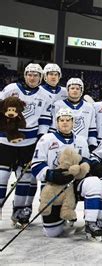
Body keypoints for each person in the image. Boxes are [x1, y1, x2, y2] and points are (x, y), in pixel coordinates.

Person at [31, 108, 102, 239]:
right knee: (52, 233)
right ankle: (61, 218)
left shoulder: (81, 140)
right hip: (53, 187)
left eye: (68, 120)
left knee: (93, 182)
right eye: (61, 120)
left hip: (73, 184)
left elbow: (85, 162)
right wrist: (52, 175)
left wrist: (89, 164)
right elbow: (36, 165)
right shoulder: (46, 139)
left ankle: (91, 222)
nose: (65, 123)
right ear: (57, 122)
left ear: (73, 122)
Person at [0, 63, 54, 227]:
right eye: (30, 74)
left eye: (36, 75)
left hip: (29, 144)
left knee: (27, 179)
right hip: (5, 142)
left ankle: (21, 211)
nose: (32, 78)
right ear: (25, 75)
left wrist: (41, 139)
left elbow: (45, 119)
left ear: (40, 77)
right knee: (1, 177)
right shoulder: (10, 89)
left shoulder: (45, 95)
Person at [50, 77, 98, 151]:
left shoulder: (89, 107)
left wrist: (92, 146)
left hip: (82, 147)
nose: (75, 90)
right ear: (68, 90)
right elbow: (53, 128)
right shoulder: (58, 105)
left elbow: (92, 130)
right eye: (72, 88)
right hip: (61, 146)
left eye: (77, 88)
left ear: (81, 91)